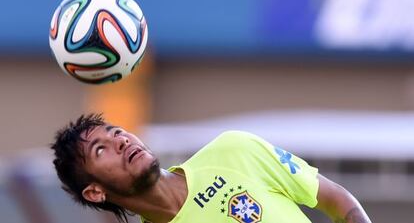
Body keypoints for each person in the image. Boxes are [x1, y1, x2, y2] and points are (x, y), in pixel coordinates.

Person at [51, 113, 372, 223]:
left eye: (117, 132)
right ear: (94, 192)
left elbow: (337, 200)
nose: (121, 141)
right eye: (101, 149)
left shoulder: (234, 149)